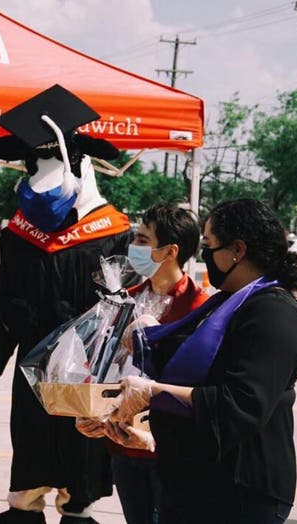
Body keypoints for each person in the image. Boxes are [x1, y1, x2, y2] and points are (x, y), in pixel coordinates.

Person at [110, 198, 297, 524]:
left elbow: (241, 404)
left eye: (209, 245)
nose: (204, 255)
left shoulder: (274, 313)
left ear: (237, 250)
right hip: (194, 482)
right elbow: (184, 362)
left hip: (240, 490)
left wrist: (153, 392)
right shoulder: (225, 303)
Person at [0, 86, 132, 524]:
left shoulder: (112, 232)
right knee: (31, 446)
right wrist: (17, 317)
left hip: (87, 370)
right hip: (34, 368)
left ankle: (77, 508)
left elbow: (120, 304)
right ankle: (26, 508)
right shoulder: (17, 233)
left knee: (80, 451)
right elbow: (2, 296)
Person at [75, 203, 208, 524]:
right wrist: (88, 412)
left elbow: (200, 386)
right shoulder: (124, 302)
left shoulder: (201, 308)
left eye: (142, 239)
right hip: (123, 445)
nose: (133, 246)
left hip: (171, 450)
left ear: (169, 251)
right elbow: (100, 367)